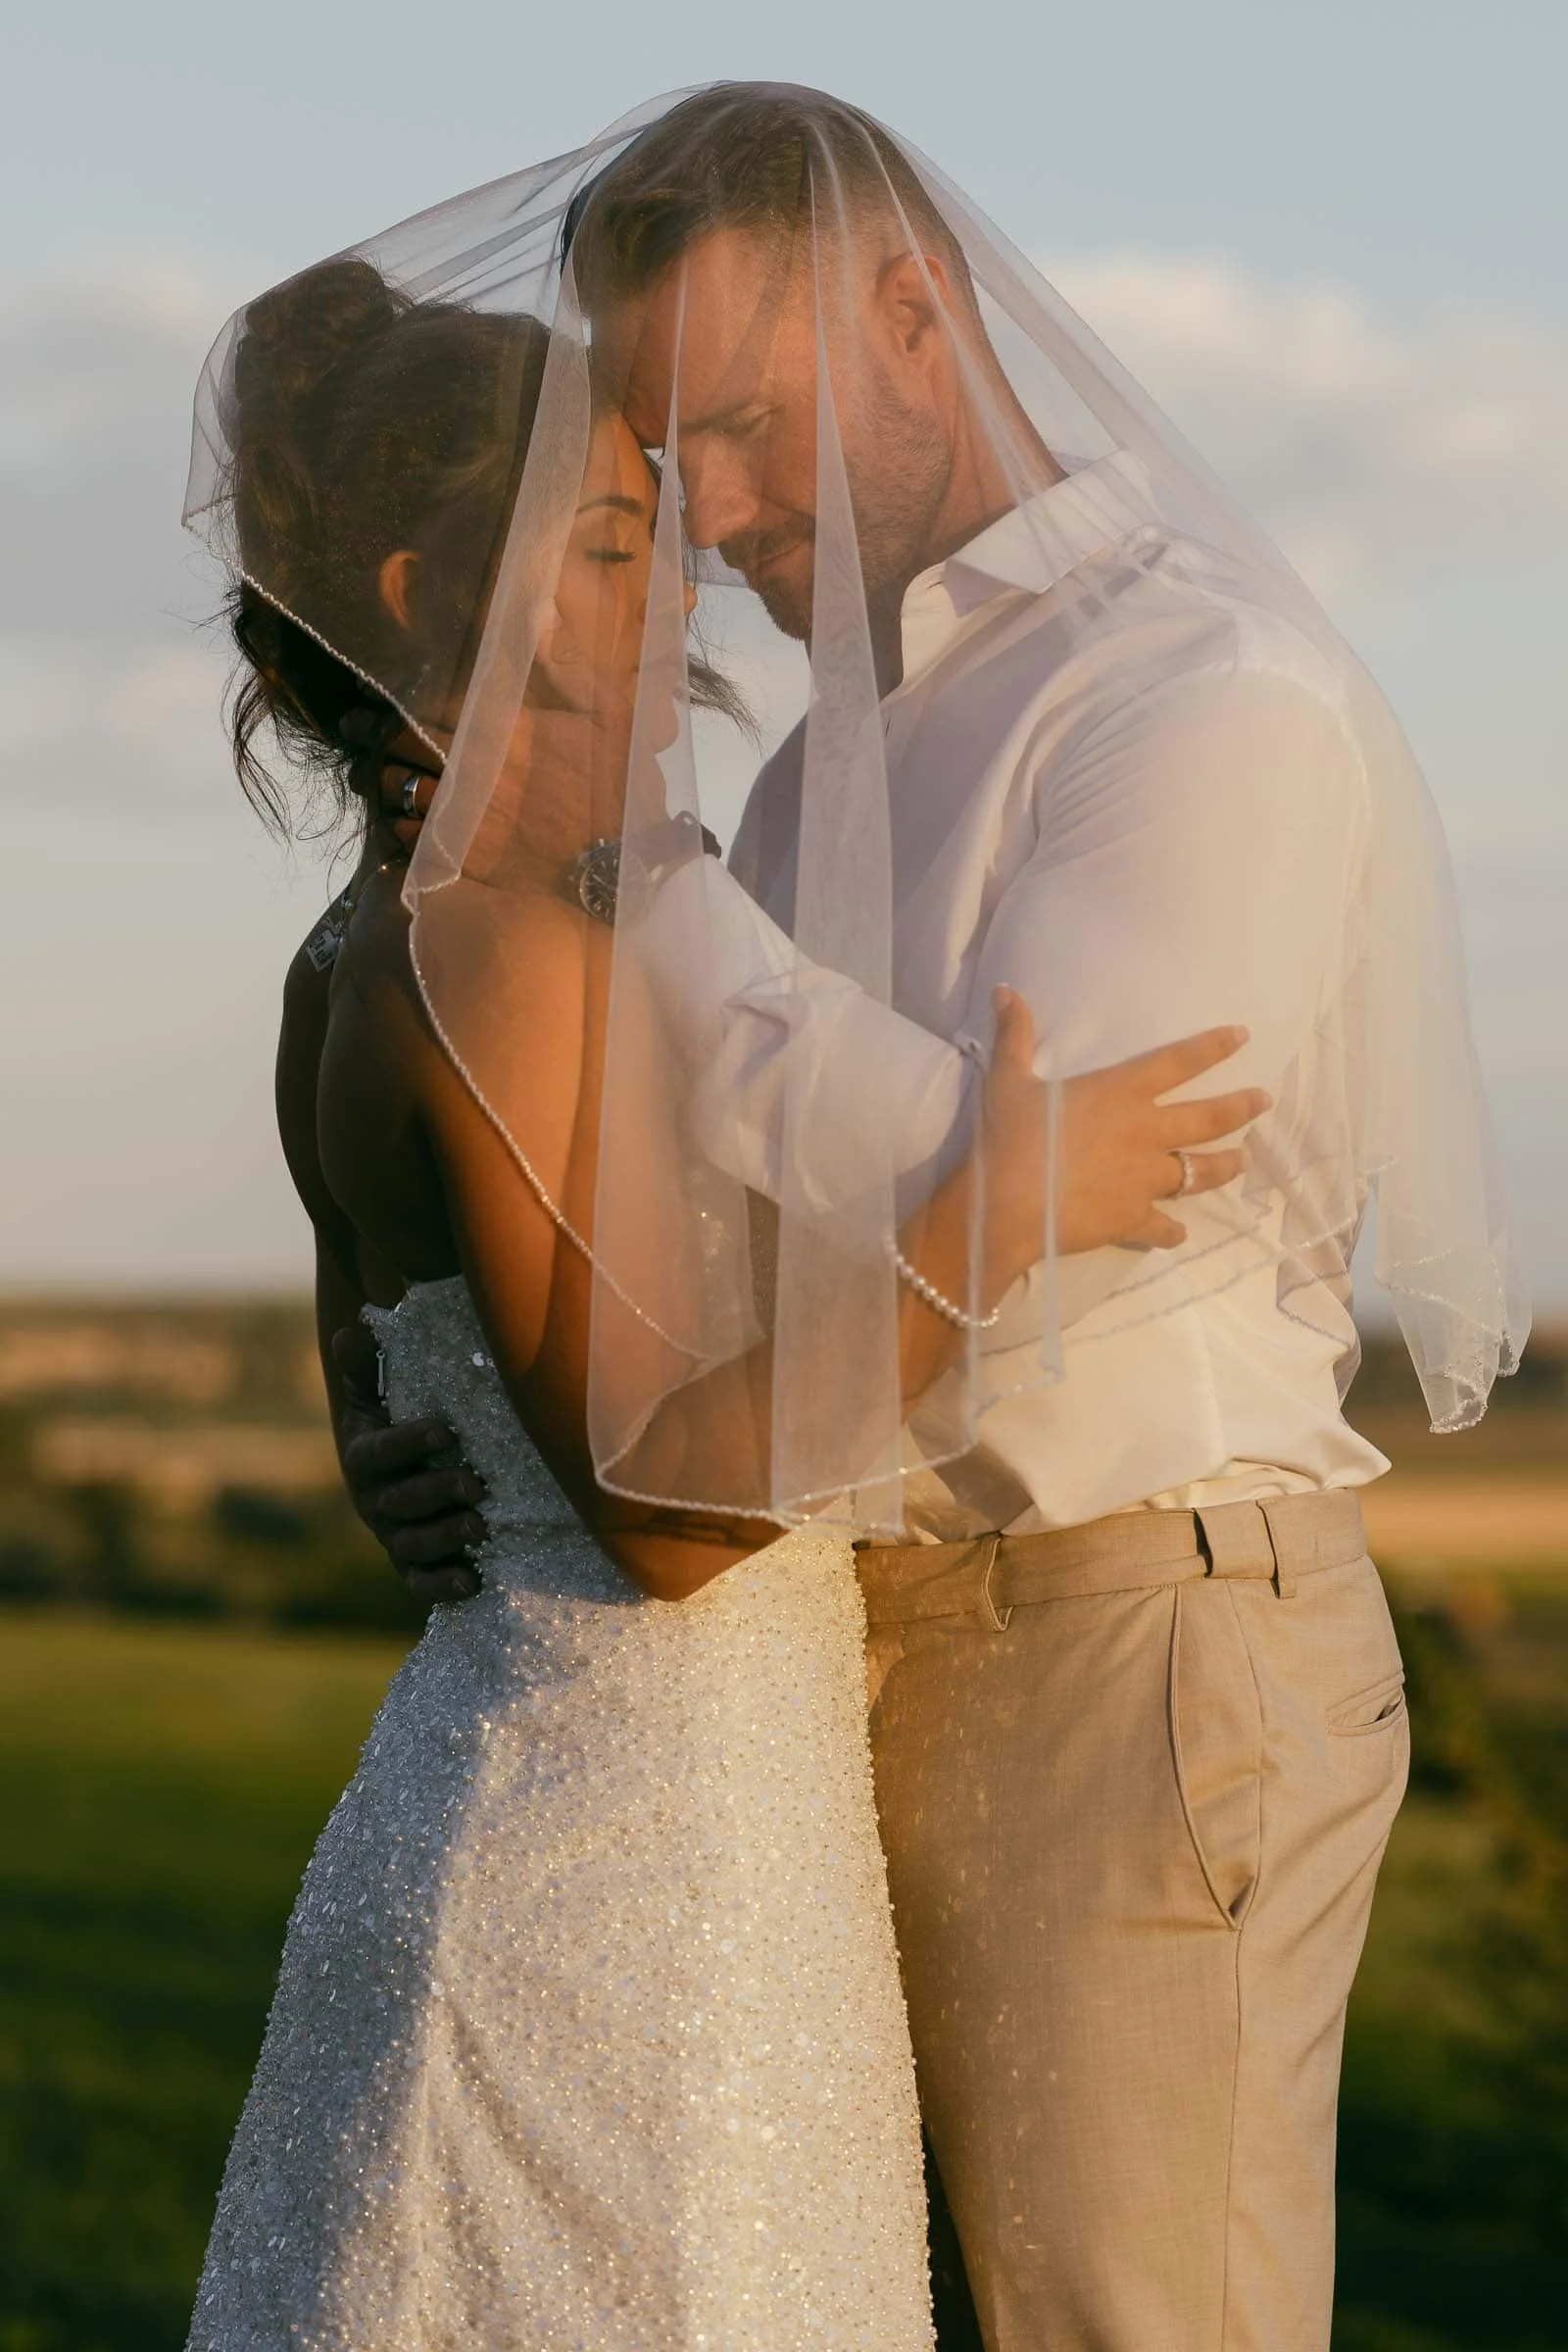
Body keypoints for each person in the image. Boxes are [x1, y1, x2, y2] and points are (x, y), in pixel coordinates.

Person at [348, 86, 1528, 2352]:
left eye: (755, 427)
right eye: (670, 463)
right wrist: (479, 1434)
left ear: (917, 310)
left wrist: (651, 893)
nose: (717, 519)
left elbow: (1049, 1208)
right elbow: (739, 1232)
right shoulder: (818, 771)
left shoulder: (1194, 703)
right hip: (829, 1654)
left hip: (1116, 1637)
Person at [181, 240, 1257, 2348]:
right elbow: (670, 1519)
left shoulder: (362, 944)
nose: (673, 592)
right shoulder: (510, 953)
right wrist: (993, 1218)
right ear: (417, 593)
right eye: (606, 542)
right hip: (628, 1893)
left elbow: (384, 1391)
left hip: (627, 1833)